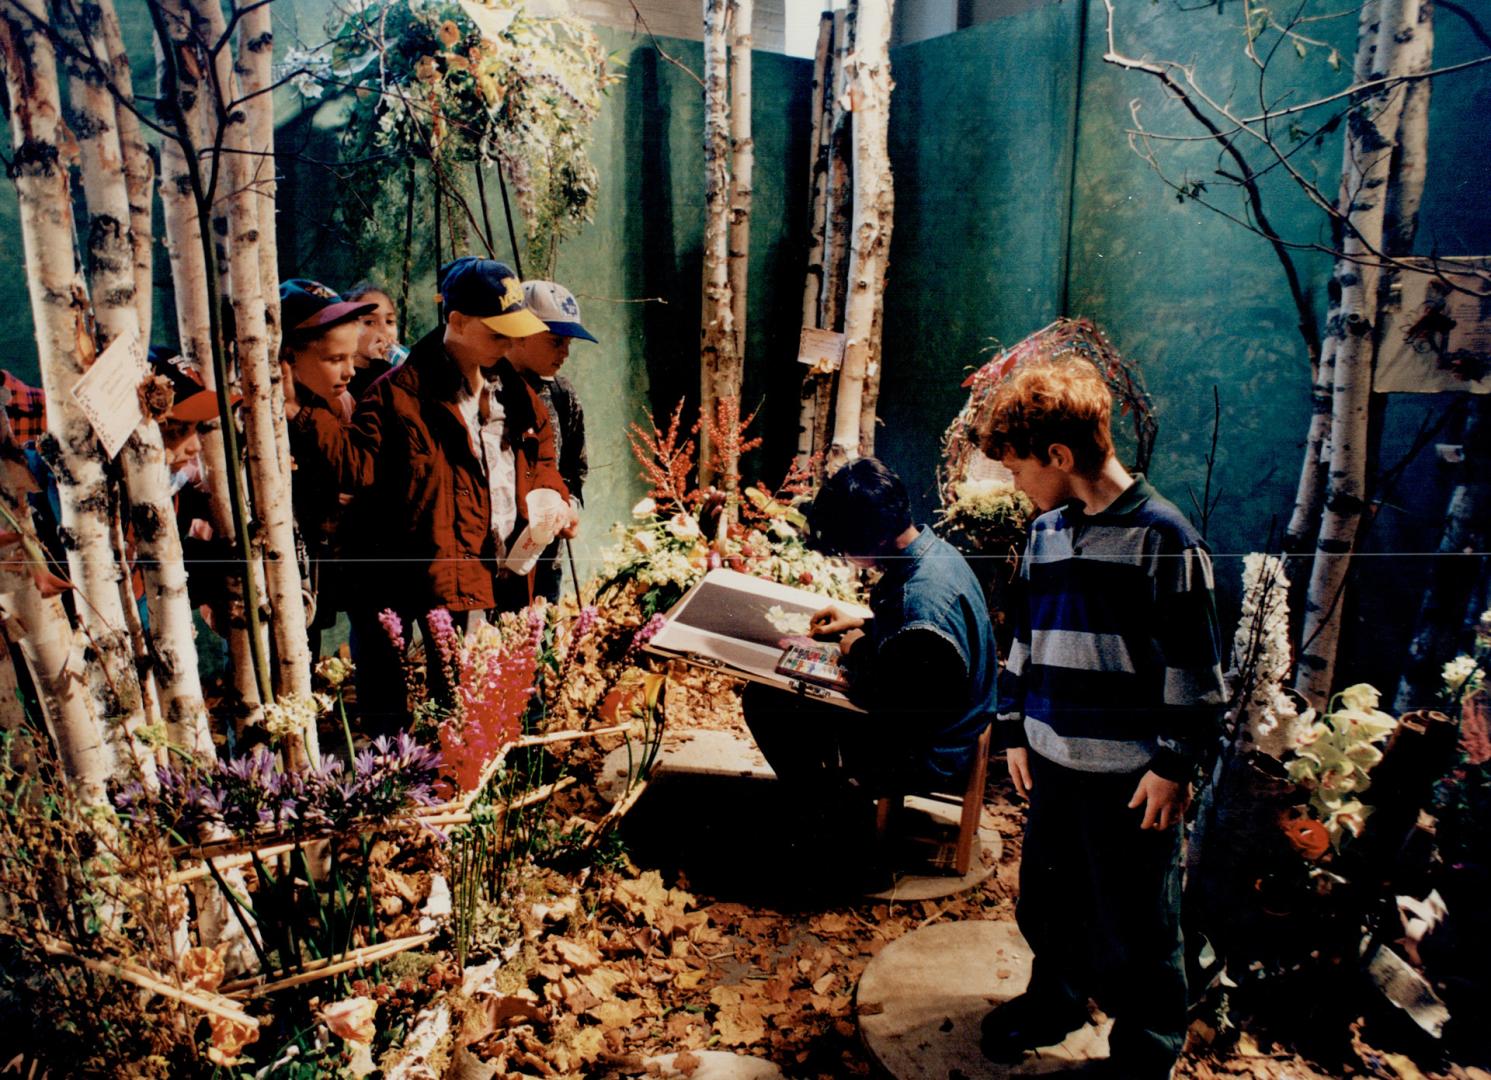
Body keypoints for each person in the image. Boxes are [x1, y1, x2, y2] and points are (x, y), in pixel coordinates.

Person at [974, 356, 1225, 1079]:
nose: (1013, 482)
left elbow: (1195, 668)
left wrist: (1173, 765)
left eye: (1018, 466)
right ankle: (1054, 1002)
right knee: (1048, 905)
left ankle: (1144, 1051)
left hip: (1131, 782)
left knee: (1141, 928)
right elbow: (1025, 636)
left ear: (1059, 456)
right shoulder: (1048, 532)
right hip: (1053, 763)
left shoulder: (1163, 537)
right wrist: (1017, 728)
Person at [287, 257, 576, 730]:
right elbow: (356, 465)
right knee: (438, 698)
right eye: (497, 333)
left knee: (490, 691)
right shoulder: (396, 394)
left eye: (513, 334)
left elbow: (541, 453)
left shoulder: (515, 392)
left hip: (501, 563)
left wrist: (552, 495)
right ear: (457, 322)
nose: (507, 345)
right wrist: (302, 414)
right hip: (427, 568)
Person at [741, 457, 999, 885]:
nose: (845, 556)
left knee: (767, 703)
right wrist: (861, 624)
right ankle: (827, 812)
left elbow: (897, 700)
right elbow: (918, 657)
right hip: (947, 711)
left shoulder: (921, 601)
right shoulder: (932, 554)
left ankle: (849, 848)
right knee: (779, 697)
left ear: (875, 537)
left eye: (846, 547)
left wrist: (858, 649)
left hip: (932, 746)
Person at [277, 280, 378, 653]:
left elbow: (352, 472)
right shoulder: (260, 419)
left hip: (323, 566)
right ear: (288, 358)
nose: (349, 371)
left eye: (351, 357)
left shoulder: (341, 404)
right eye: (335, 360)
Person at [507, 280, 595, 604]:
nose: (565, 353)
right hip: (497, 557)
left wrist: (567, 505)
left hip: (546, 553)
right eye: (556, 341)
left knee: (543, 644)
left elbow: (575, 465)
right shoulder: (490, 390)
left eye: (569, 342)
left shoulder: (561, 394)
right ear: (519, 332)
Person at [342, 281, 405, 401]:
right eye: (369, 322)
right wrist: (379, 365)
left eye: (390, 321)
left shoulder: (402, 369)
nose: (384, 330)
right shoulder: (342, 379)